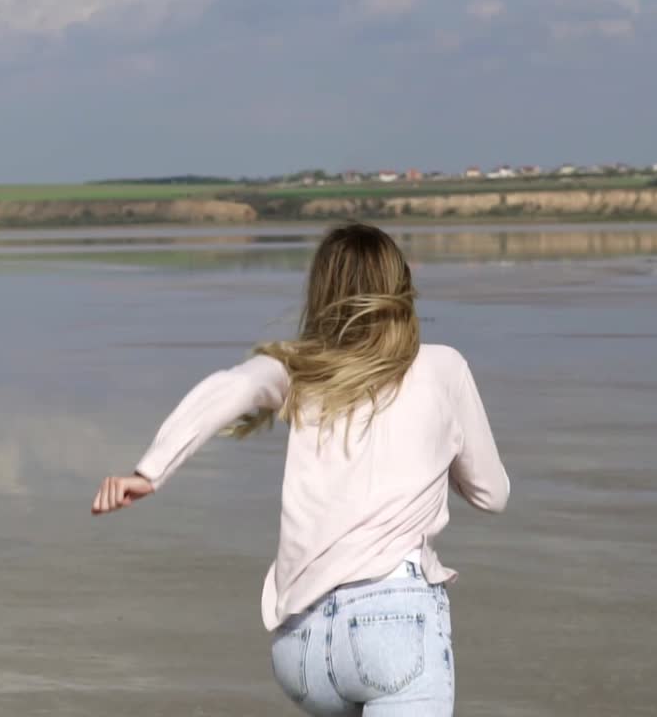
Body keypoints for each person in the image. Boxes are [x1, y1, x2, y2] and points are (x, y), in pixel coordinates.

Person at [91, 221, 510, 716]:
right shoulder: (443, 368)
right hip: (393, 625)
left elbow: (233, 387)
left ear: (321, 292)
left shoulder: (297, 370)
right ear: (404, 281)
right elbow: (492, 494)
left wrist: (150, 471)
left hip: (302, 648)